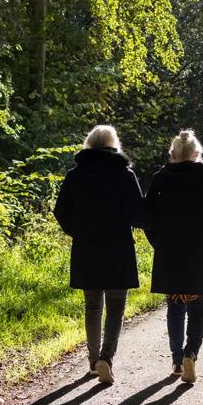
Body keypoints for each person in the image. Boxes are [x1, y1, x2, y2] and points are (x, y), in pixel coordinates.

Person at [53, 124, 148, 385]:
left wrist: (79, 231)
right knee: (116, 307)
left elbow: (60, 211)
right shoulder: (124, 174)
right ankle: (107, 358)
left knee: (92, 305)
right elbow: (139, 216)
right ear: (113, 145)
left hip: (87, 249)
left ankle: (93, 362)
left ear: (89, 144)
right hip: (118, 249)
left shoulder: (75, 175)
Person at [144, 129, 203, 384]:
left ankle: (176, 359)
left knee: (175, 306)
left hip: (170, 253)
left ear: (173, 154)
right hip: (202, 253)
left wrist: (157, 243)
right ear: (196, 153)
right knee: (198, 307)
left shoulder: (161, 179)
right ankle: (191, 353)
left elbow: (148, 217)